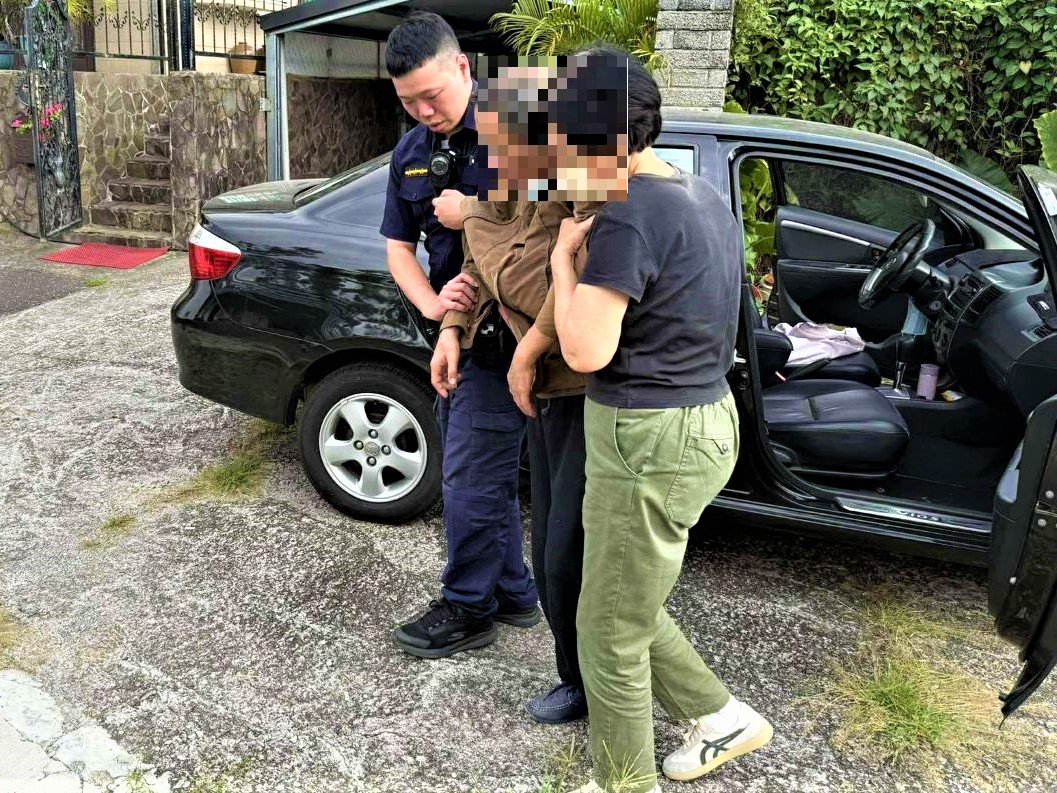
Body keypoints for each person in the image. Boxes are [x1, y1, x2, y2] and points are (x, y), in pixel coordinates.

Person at [548, 50, 773, 792]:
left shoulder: (625, 215)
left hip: (647, 437)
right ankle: (720, 718)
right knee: (624, 600)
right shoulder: (696, 191)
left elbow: (585, 350)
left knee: (607, 629)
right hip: (703, 418)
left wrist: (563, 264)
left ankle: (622, 782)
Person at [431, 60, 606, 725]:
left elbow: (573, 288)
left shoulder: (584, 195)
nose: (499, 154)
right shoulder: (502, 188)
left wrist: (527, 349)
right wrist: (452, 328)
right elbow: (478, 265)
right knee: (549, 545)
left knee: (574, 549)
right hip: (535, 387)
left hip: (583, 386)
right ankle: (573, 674)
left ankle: (593, 685)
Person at [379, 11, 541, 660]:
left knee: (469, 480)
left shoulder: (519, 129)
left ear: (463, 68)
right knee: (479, 473)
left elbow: (541, 229)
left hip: (511, 337)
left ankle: (469, 606)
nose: (423, 111)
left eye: (432, 95)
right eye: (408, 102)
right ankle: (513, 592)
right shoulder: (411, 153)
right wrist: (432, 306)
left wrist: (468, 209)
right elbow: (397, 246)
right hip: (455, 335)